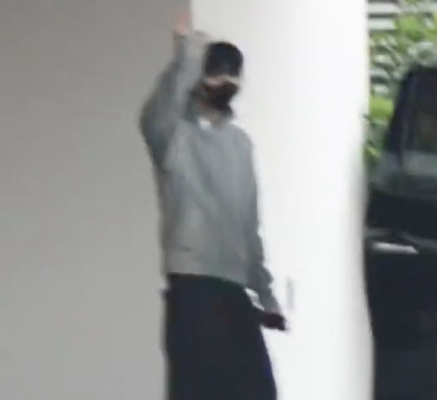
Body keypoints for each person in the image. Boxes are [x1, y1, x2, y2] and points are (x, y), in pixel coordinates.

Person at [139, 11, 286, 400]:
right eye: (220, 72)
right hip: (191, 285)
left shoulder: (240, 145)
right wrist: (187, 55)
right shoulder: (173, 135)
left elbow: (249, 225)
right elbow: (156, 112)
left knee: (259, 391)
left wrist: (266, 296)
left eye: (233, 74)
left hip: (233, 289)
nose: (227, 82)